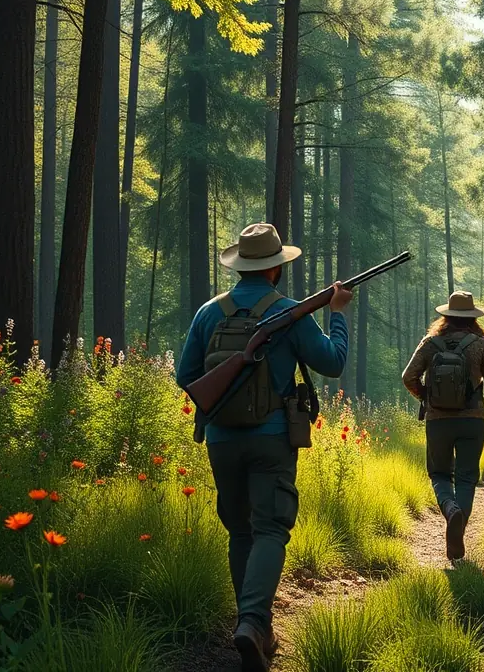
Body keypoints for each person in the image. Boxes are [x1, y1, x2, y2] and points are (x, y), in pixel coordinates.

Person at [176, 223, 352, 672]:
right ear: (275, 269)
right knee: (271, 529)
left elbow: (186, 377)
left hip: (221, 440)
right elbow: (331, 362)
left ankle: (255, 627)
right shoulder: (290, 312)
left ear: (242, 268)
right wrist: (338, 313)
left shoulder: (208, 313)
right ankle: (254, 623)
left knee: (241, 532)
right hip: (273, 437)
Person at [402, 290, 484, 561]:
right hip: (472, 421)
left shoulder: (430, 342)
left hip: (438, 421)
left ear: (446, 316)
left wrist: (426, 396)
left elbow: (408, 376)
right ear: (473, 318)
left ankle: (450, 510)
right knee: (466, 477)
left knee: (438, 474)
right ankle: (457, 532)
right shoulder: (480, 344)